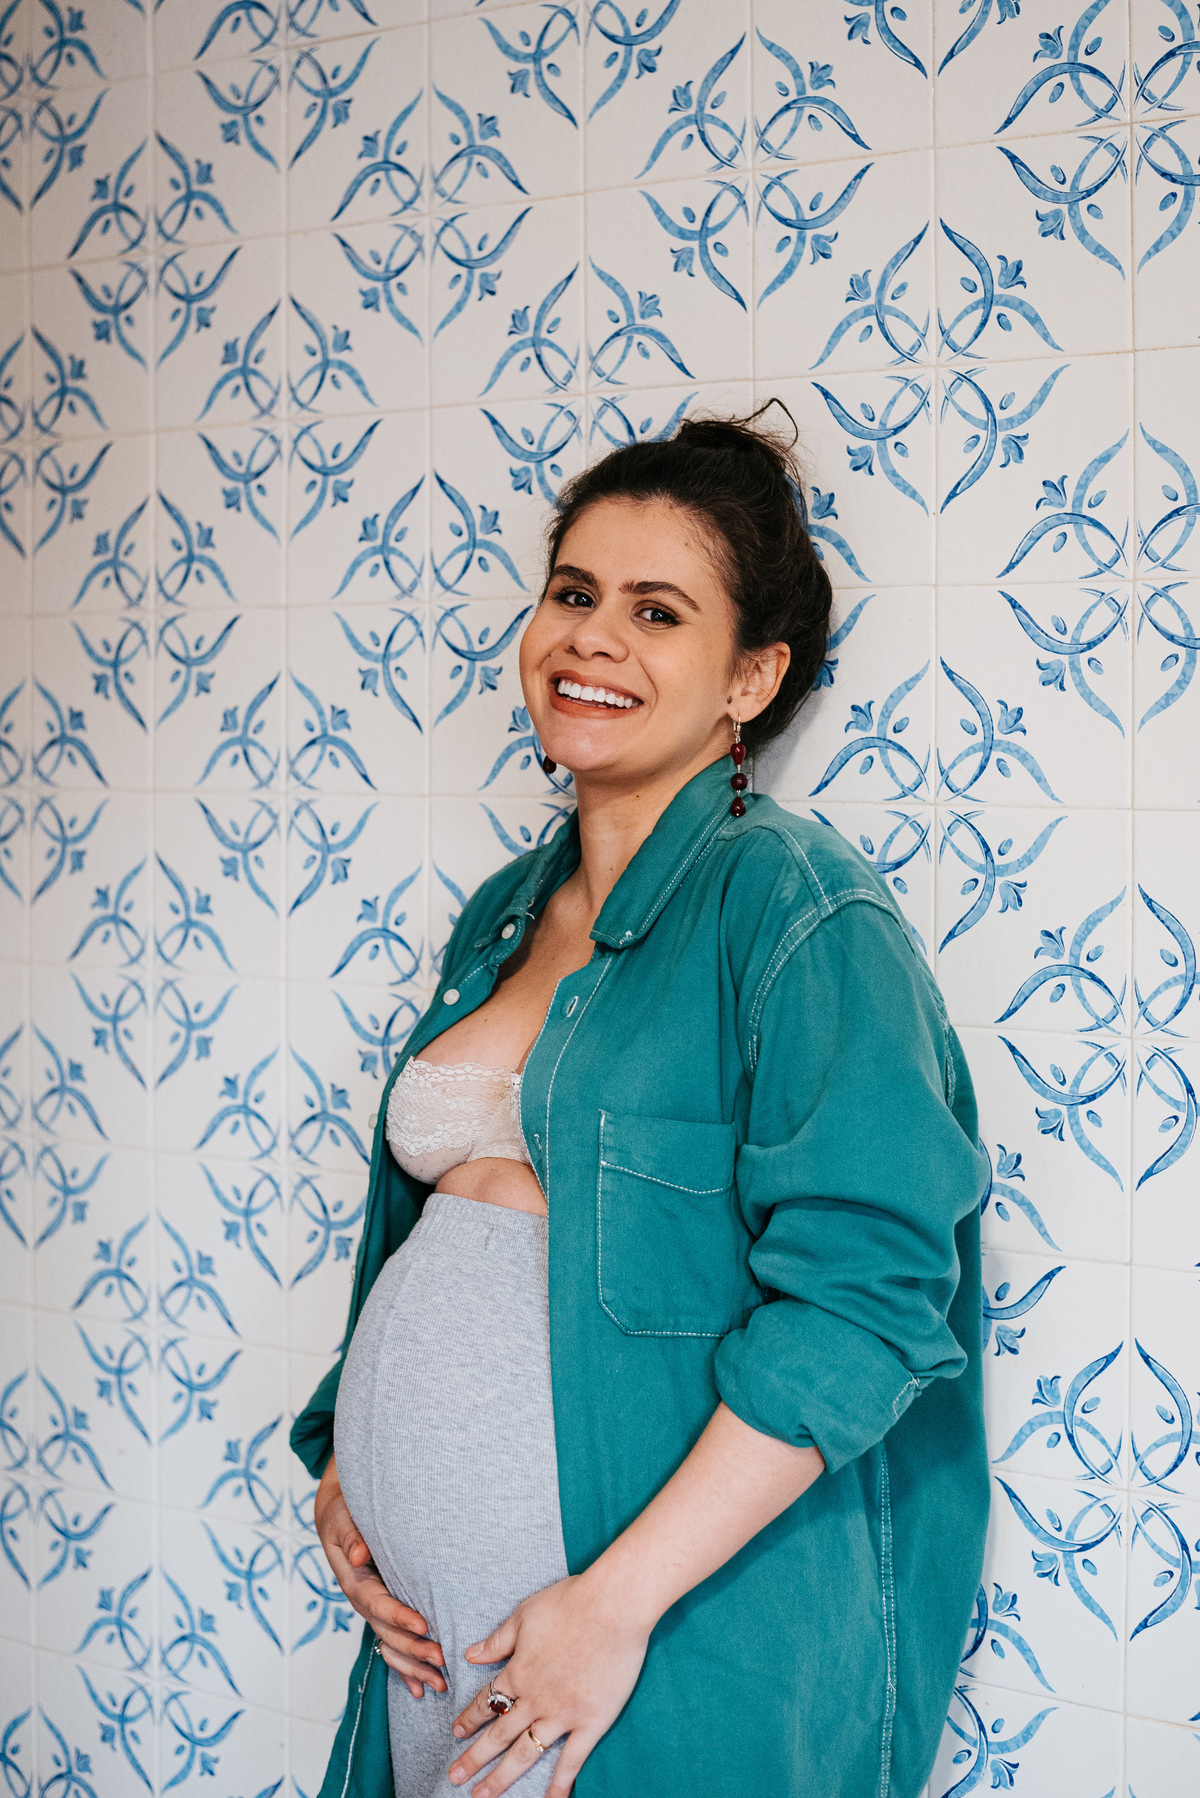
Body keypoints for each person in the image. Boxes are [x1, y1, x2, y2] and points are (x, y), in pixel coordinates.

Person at [291, 407, 990, 1798]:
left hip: (656, 1658)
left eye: (656, 612)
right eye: (573, 593)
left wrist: (612, 1608)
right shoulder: (503, 915)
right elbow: (438, 1240)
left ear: (752, 676)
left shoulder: (796, 907)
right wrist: (349, 1472)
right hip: (436, 1657)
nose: (592, 639)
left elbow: (866, 1302)